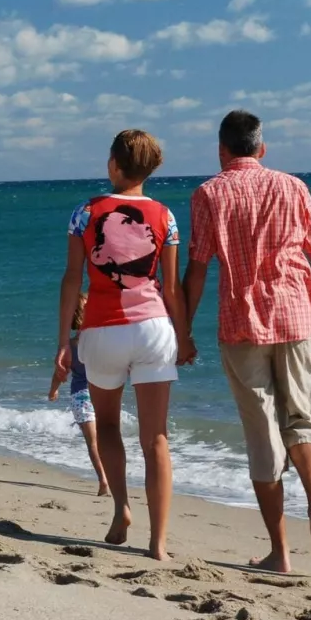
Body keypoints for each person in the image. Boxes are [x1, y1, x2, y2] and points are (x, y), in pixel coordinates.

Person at [183, 110, 311, 572]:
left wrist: (183, 330)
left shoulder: (208, 193)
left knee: (263, 437)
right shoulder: (293, 187)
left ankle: (280, 552)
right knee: (302, 418)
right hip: (296, 319)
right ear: (262, 149)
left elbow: (197, 268)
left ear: (221, 150)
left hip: (241, 324)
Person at [54, 129, 192, 561]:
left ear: (114, 165)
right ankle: (159, 543)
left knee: (109, 426)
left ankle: (121, 510)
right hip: (153, 328)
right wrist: (184, 336)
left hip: (101, 331)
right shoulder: (166, 216)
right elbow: (171, 287)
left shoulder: (86, 212)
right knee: (157, 439)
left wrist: (63, 340)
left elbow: (73, 278)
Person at [49, 292, 111, 497]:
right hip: (98, 393)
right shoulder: (99, 340)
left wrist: (54, 389)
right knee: (104, 439)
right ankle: (108, 479)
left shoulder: (71, 345)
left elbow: (60, 371)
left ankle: (104, 480)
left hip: (82, 396)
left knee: (94, 441)